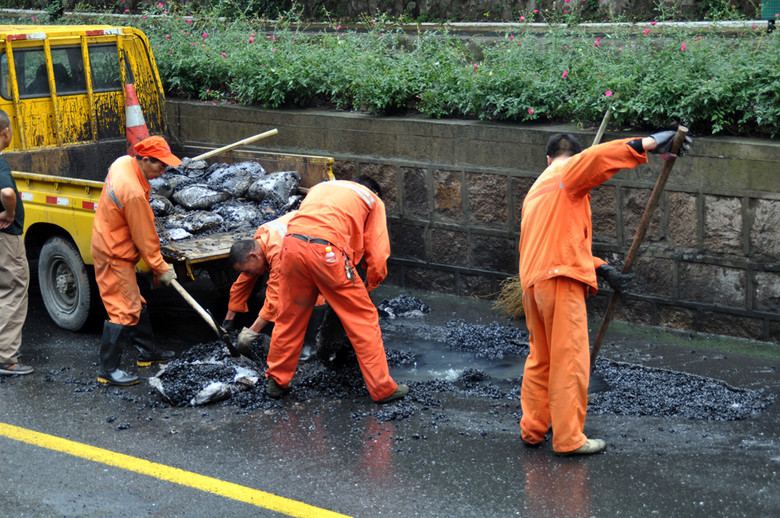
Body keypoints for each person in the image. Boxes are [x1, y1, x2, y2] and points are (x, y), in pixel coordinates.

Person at [518, 130, 693, 456]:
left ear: (546, 157)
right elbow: (598, 159)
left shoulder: (536, 189)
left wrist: (598, 267)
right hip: (559, 281)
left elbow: (555, 239)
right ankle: (569, 438)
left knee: (540, 359)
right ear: (573, 157)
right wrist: (651, 142)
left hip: (533, 282)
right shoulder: (566, 173)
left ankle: (533, 428)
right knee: (569, 360)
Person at [265, 175, 408, 404]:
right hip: (327, 252)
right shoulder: (372, 200)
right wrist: (371, 283)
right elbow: (379, 251)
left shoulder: (321, 187)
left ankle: (277, 381)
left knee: (290, 316)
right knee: (363, 318)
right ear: (376, 192)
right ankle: (383, 389)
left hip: (291, 246)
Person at [91, 136, 181, 386]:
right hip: (113, 253)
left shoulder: (123, 162)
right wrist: (161, 268)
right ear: (144, 159)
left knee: (134, 301)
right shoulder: (132, 192)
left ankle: (147, 352)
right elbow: (145, 237)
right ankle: (108, 370)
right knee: (123, 309)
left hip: (111, 242)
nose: (164, 171)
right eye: (161, 165)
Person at [0, 109, 34, 376]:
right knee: (13, 289)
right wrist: (9, 214)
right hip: (6, 237)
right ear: (5, 133)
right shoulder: (0, 164)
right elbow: (7, 191)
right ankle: (6, 359)